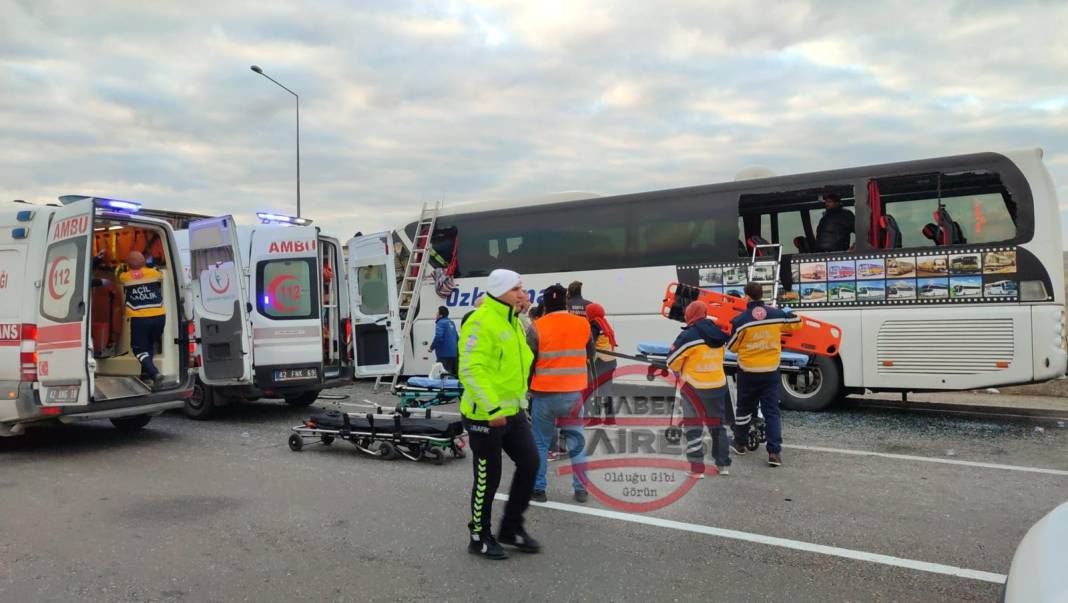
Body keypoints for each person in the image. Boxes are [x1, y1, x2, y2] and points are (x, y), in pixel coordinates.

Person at [458, 268, 539, 560]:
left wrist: (521, 404)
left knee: (530, 463)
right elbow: (470, 368)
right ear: (500, 291)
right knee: (488, 478)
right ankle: (479, 536)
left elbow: (518, 366)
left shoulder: (514, 322)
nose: (522, 293)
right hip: (485, 415)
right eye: (516, 288)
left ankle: (511, 528)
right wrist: (491, 407)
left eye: (522, 287)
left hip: (512, 411)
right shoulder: (481, 321)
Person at [527, 284, 595, 504]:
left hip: (544, 393)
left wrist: (527, 387)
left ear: (545, 304)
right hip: (573, 393)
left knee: (540, 442)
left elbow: (528, 361)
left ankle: (538, 490)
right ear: (566, 301)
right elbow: (590, 354)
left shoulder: (537, 326)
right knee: (577, 442)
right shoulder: (582, 323)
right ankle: (581, 490)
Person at [728, 282, 801, 467]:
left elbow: (732, 347)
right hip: (770, 371)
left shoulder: (741, 320)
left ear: (747, 297)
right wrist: (788, 313)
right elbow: (797, 324)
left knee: (744, 409)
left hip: (748, 372)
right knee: (772, 412)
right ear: (762, 296)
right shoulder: (776, 315)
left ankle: (740, 443)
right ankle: (774, 453)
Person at [667, 301, 731, 477]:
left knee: (693, 427)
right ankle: (723, 465)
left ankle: (697, 469)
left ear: (689, 314)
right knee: (718, 426)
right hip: (717, 385)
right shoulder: (718, 332)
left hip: (694, 388)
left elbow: (672, 361)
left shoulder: (689, 336)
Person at [118, 250, 167, 389]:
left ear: (128, 265)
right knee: (149, 346)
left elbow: (120, 277)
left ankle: (154, 374)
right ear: (144, 262)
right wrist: (151, 265)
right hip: (159, 316)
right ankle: (146, 375)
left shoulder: (125, 277)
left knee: (138, 349)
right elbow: (159, 274)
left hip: (140, 318)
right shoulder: (154, 274)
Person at [585, 303, 618, 425]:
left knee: (597, 391)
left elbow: (590, 342)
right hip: (610, 361)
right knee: (606, 390)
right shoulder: (604, 322)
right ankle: (610, 419)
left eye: (587, 312)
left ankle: (596, 418)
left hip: (600, 362)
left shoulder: (594, 324)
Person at [429, 306, 459, 375]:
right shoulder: (451, 322)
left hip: (443, 354)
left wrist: (431, 347)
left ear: (440, 315)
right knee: (452, 374)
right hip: (453, 353)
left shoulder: (440, 323)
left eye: (437, 312)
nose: (436, 314)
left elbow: (438, 337)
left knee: (442, 375)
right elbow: (457, 337)